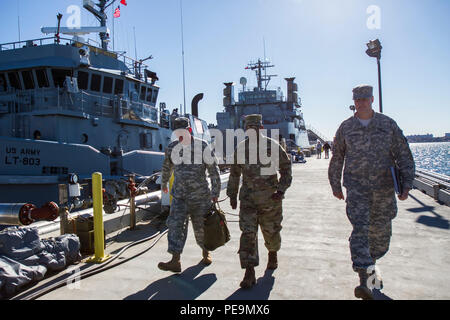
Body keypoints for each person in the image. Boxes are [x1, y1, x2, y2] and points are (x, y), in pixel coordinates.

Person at [328, 84, 415, 300]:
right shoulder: (346, 127)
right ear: (354, 101)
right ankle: (365, 280)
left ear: (372, 99)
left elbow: (403, 154)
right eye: (357, 99)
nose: (361, 103)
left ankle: (372, 269)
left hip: (384, 189)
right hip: (357, 188)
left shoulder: (387, 124)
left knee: (380, 237)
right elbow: (337, 156)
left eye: (365, 99)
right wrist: (335, 184)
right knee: (360, 230)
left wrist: (407, 184)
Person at [227, 114, 292, 289]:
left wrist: (281, 190)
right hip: (248, 200)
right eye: (249, 128)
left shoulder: (273, 146)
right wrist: (232, 195)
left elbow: (286, 169)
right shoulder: (241, 148)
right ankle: (249, 271)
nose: (252, 131)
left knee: (271, 234)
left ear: (261, 128)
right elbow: (234, 174)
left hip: (270, 200)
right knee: (248, 234)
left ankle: (272, 253)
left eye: (255, 128)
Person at [158, 117, 221, 273]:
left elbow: (214, 170)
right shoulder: (172, 147)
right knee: (175, 226)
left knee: (201, 227)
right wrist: (164, 183)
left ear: (190, 130)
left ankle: (206, 253)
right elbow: (167, 167)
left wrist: (215, 192)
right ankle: (175, 260)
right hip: (179, 196)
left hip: (200, 197)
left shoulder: (203, 146)